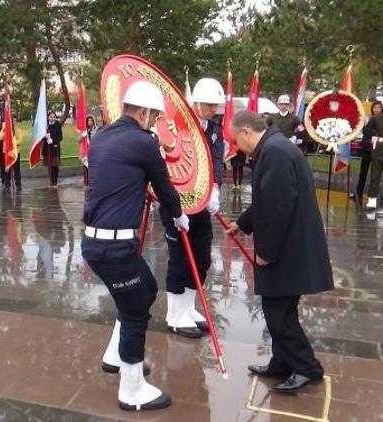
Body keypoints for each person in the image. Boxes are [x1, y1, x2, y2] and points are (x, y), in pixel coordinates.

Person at [83, 80, 188, 411]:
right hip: (114, 249)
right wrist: (179, 217)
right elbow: (165, 188)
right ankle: (131, 389)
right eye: (154, 116)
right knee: (134, 313)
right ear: (142, 112)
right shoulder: (143, 143)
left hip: (97, 243)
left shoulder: (102, 137)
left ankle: (116, 355)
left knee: (147, 288)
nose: (155, 121)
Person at [226, 110, 334, 393]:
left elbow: (278, 207)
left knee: (279, 314)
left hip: (287, 249)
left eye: (236, 139)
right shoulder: (274, 147)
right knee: (278, 309)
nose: (236, 147)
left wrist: (267, 252)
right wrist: (241, 223)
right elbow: (267, 197)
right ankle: (282, 362)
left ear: (246, 132)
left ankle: (307, 367)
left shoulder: (274, 152)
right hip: (289, 245)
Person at [159, 77, 222, 338]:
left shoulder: (214, 128)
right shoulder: (178, 125)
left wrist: (215, 188)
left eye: (216, 105)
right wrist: (175, 208)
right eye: (209, 105)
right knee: (180, 259)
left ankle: (188, 307)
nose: (214, 109)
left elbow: (216, 160)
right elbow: (169, 167)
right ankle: (175, 315)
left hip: (202, 202)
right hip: (177, 204)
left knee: (201, 257)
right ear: (196, 103)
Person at [355, 100, 383, 200]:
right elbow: (365, 134)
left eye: (379, 107)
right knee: (363, 173)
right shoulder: (368, 119)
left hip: (379, 151)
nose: (377, 109)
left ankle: (374, 196)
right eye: (375, 107)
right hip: (367, 150)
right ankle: (358, 193)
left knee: (376, 174)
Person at [0, 116, 22, 192]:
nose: (14, 122)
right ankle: (7, 184)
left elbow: (20, 140)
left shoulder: (18, 130)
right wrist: (4, 130)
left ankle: (18, 184)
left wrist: (13, 143)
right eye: (12, 120)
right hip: (6, 152)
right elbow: (0, 138)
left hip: (15, 153)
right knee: (7, 169)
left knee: (17, 170)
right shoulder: (6, 130)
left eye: (15, 120)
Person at [43, 111, 63, 187]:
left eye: (53, 116)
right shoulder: (46, 125)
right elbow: (41, 137)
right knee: (50, 166)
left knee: (55, 165)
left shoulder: (57, 125)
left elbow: (60, 137)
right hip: (47, 148)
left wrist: (53, 140)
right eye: (50, 116)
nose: (52, 118)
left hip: (55, 147)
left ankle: (55, 181)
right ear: (48, 117)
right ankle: (51, 181)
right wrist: (45, 137)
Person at [81, 115, 99, 187]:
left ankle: (94, 182)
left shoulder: (96, 130)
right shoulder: (85, 130)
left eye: (91, 120)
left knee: (94, 167)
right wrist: (83, 134)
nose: (90, 122)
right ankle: (86, 183)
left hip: (95, 151)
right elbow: (78, 140)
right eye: (88, 121)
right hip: (87, 152)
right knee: (86, 167)